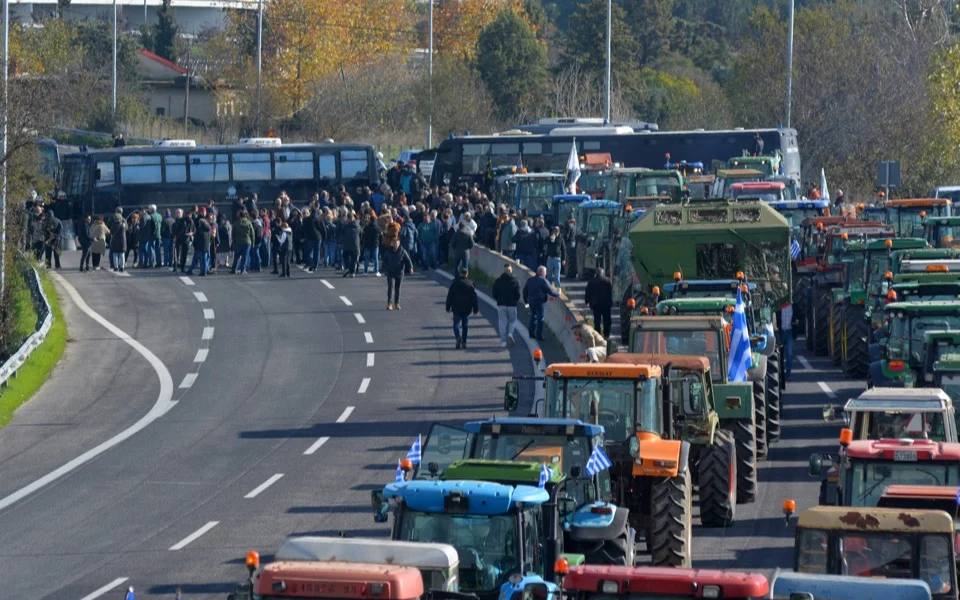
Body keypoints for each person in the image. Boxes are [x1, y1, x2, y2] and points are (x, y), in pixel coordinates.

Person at [446, 268, 479, 349]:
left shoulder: (454, 283)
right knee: (465, 326)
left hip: (456, 308)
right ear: (467, 274)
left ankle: (458, 337)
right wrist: (475, 309)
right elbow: (474, 298)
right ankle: (464, 342)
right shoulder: (470, 284)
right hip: (467, 309)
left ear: (460, 274)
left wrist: (448, 307)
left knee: (456, 324)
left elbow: (449, 296)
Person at [523, 266, 558, 342]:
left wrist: (525, 301)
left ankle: (531, 334)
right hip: (540, 302)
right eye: (545, 273)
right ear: (542, 272)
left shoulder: (530, 280)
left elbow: (525, 291)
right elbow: (550, 291)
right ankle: (539, 336)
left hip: (531, 302)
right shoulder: (543, 281)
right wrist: (558, 294)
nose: (546, 274)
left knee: (533, 317)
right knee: (540, 319)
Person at [492, 263, 521, 348]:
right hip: (512, 305)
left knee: (502, 322)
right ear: (511, 270)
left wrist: (498, 299)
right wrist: (515, 300)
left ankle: (503, 341)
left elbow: (494, 292)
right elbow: (518, 294)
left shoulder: (499, 281)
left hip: (501, 304)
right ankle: (510, 334)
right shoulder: (515, 281)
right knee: (512, 321)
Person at [382, 238, 414, 310]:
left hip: (399, 273)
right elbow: (384, 261)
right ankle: (389, 303)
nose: (396, 244)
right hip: (390, 272)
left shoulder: (402, 251)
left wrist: (410, 267)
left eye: (397, 243)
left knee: (398, 288)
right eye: (394, 243)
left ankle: (397, 303)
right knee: (390, 287)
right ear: (392, 244)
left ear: (399, 243)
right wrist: (386, 269)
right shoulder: (388, 251)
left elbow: (408, 260)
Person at [584, 267, 614, 339]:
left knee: (597, 320)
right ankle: (606, 334)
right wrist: (611, 302)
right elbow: (611, 292)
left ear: (596, 274)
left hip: (596, 304)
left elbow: (587, 292)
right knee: (607, 319)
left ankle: (598, 334)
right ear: (602, 273)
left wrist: (587, 301)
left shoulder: (591, 282)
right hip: (606, 304)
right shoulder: (607, 281)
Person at [231, 210, 254, 274]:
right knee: (245, 257)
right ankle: (243, 270)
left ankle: (234, 269)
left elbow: (233, 233)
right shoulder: (249, 223)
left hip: (238, 242)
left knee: (237, 256)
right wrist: (253, 242)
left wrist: (234, 241)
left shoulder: (236, 223)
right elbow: (252, 233)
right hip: (247, 242)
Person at [544, 226, 565, 291]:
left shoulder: (561, 239)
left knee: (557, 275)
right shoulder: (549, 238)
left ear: (559, 232)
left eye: (557, 231)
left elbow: (563, 249)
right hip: (550, 258)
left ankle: (558, 288)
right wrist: (549, 238)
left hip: (557, 259)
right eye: (554, 231)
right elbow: (544, 242)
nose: (555, 233)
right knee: (549, 274)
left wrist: (564, 259)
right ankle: (549, 288)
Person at [777, 302, 795, 381]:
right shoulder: (778, 307)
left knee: (789, 354)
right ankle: (779, 373)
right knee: (779, 353)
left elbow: (798, 316)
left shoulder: (793, 306)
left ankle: (788, 374)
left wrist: (796, 322)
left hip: (789, 331)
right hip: (781, 331)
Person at [341, 212, 361, 277]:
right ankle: (352, 272)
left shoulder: (346, 226)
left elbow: (342, 233)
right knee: (354, 259)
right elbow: (361, 235)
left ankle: (348, 268)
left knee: (345, 256)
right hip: (356, 244)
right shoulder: (358, 226)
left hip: (347, 244)